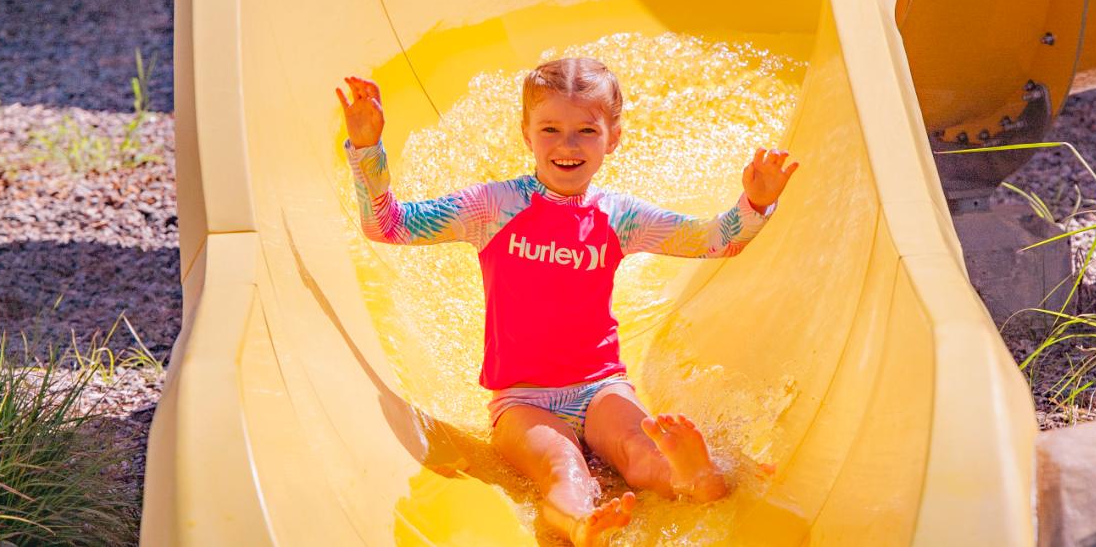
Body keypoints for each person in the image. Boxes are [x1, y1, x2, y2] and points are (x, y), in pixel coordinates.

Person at [337, 57, 798, 546]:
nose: (568, 145)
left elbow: (713, 240)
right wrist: (366, 148)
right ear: (527, 134)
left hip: (601, 387)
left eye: (587, 131)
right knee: (562, 465)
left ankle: (691, 478)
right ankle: (580, 521)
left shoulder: (619, 216)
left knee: (638, 447)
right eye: (551, 129)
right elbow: (387, 225)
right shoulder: (493, 208)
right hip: (522, 400)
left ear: (613, 138)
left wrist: (755, 204)